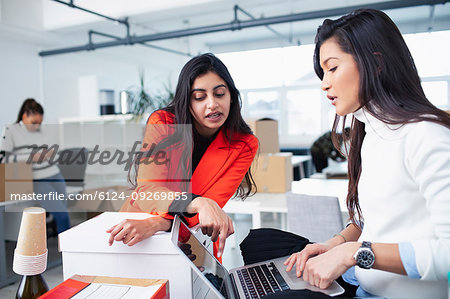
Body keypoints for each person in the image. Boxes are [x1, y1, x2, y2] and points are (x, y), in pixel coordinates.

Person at [261, 8, 450, 299]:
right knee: (261, 244)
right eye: (322, 72)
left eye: (333, 68)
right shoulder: (370, 134)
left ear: (375, 64)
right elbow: (376, 221)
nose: (324, 83)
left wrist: (355, 253)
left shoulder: (425, 135)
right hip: (364, 286)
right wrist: (335, 244)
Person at [107, 53, 258, 259]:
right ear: (187, 101)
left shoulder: (245, 145)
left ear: (231, 96)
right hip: (136, 228)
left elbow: (211, 207)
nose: (212, 104)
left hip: (189, 234)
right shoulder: (163, 123)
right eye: (199, 97)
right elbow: (150, 190)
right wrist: (200, 203)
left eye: (220, 94)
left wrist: (158, 223)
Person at [1, 98, 71, 234]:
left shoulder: (43, 130)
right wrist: (31, 158)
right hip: (36, 180)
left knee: (64, 214)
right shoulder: (11, 130)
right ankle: (66, 252)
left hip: (55, 174)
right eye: (34, 123)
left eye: (40, 123)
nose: (37, 127)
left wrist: (51, 154)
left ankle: (66, 248)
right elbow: (3, 158)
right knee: (62, 216)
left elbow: (56, 153)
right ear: (24, 116)